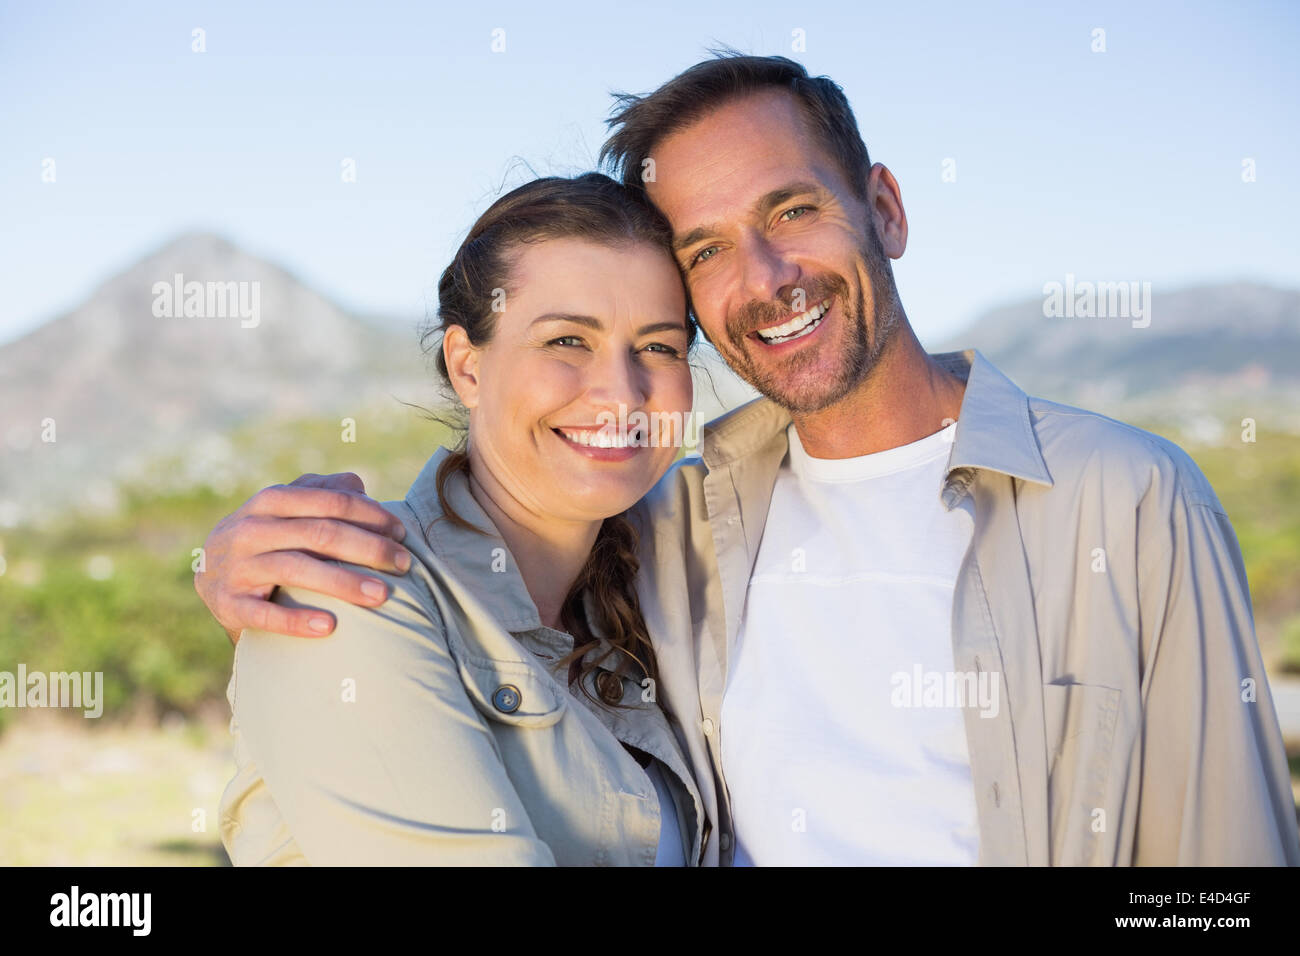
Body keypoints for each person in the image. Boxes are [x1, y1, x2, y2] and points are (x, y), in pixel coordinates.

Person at [199, 53, 1300, 866]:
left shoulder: (1126, 497)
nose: (766, 276)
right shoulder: (684, 521)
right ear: (465, 361)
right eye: (708, 249)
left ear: (883, 207)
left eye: (795, 209)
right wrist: (243, 553)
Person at [217, 172, 710, 865]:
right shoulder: (350, 589)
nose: (620, 393)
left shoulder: (657, 582)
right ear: (467, 366)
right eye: (568, 340)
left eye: (659, 346)